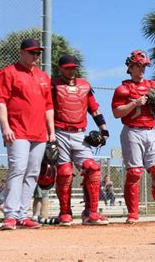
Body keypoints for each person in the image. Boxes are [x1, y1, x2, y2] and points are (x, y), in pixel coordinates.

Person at [0, 38, 55, 230]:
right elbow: (0, 101)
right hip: (17, 131)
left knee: (33, 173)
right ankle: (10, 215)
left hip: (40, 132)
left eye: (38, 53)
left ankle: (22, 215)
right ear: (21, 52)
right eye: (32, 52)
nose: (35, 56)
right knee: (17, 170)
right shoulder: (8, 73)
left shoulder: (43, 76)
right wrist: (5, 127)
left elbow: (49, 106)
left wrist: (52, 131)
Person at [112, 49, 155, 223]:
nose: (142, 69)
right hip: (132, 131)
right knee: (135, 172)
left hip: (150, 131)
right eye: (138, 66)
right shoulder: (123, 89)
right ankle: (133, 213)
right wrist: (135, 103)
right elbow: (116, 112)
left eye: (144, 66)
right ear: (130, 66)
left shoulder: (152, 86)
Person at [52, 54, 109, 226]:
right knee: (64, 172)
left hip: (79, 133)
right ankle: (65, 213)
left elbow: (95, 109)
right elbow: (45, 109)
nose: (71, 71)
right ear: (60, 68)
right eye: (67, 67)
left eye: (73, 68)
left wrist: (104, 131)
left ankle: (91, 213)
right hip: (59, 132)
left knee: (93, 169)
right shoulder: (52, 84)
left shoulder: (84, 86)